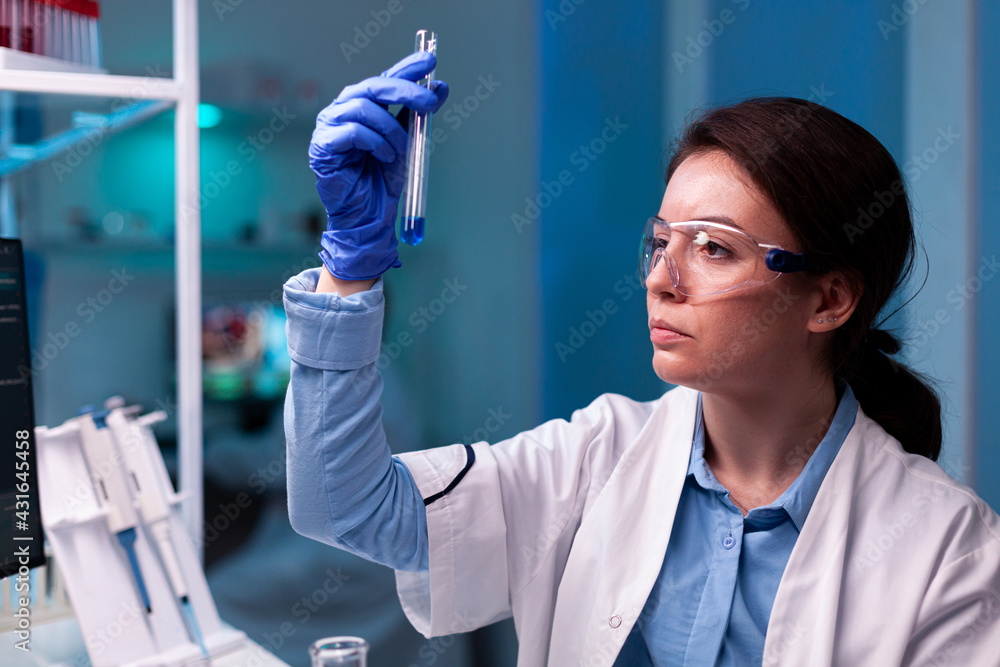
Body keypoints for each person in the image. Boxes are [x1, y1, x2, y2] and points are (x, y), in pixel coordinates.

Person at [283, 51, 1000, 667]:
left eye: (714, 247)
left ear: (830, 299)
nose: (661, 277)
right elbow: (346, 505)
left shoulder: (946, 549)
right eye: (661, 242)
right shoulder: (594, 459)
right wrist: (349, 273)